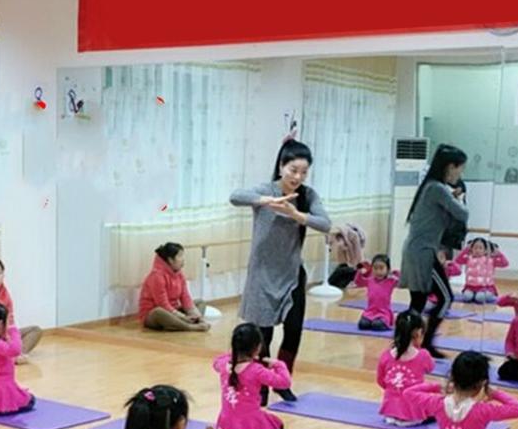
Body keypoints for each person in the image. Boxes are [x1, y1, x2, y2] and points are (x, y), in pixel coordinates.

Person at [230, 140, 331, 402]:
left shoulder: (307, 196)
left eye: (303, 172)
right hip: (263, 275)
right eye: (293, 170)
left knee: (294, 330)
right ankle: (262, 385)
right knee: (263, 334)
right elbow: (235, 196)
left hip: (292, 275)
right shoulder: (266, 190)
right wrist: (266, 201)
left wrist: (296, 214)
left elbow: (325, 223)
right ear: (281, 167)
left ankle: (282, 382)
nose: (297, 177)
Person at [400, 145, 470, 358]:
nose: (460, 174)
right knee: (446, 297)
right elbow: (462, 214)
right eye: (460, 168)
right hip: (423, 252)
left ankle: (406, 343)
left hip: (417, 249)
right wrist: (458, 198)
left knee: (419, 301)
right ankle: (425, 342)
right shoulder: (437, 189)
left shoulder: (431, 187)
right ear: (450, 167)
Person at [213, 323, 288, 429]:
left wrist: (232, 354)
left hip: (226, 425)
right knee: (278, 426)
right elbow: (284, 382)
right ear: (257, 348)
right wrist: (278, 364)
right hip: (249, 424)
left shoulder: (223, 364)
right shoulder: (257, 371)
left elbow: (216, 361)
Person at [376, 311, 435, 426]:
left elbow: (381, 381)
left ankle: (397, 412)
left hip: (389, 413)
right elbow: (430, 368)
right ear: (419, 333)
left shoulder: (386, 355)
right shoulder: (423, 355)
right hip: (413, 415)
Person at [137, 243, 209, 332]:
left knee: (200, 302)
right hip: (154, 314)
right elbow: (162, 304)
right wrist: (183, 317)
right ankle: (190, 327)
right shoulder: (157, 276)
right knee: (158, 311)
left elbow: (185, 297)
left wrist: (199, 317)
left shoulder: (179, 274)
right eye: (180, 256)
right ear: (170, 260)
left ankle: (182, 323)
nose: (183, 259)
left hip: (174, 311)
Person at [354, 255, 400, 331]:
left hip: (383, 313)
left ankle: (386, 322)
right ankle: (372, 321)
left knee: (377, 325)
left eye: (381, 268)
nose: (378, 271)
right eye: (375, 268)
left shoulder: (391, 281)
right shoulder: (370, 280)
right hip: (370, 312)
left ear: (387, 269)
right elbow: (358, 282)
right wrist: (359, 271)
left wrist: (395, 273)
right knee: (362, 325)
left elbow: (401, 282)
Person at [455, 238, 508, 303]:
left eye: (480, 248)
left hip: (485, 288)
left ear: (485, 250)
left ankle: (489, 295)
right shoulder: (468, 259)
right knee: (466, 297)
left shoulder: (490, 260)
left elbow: (505, 263)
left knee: (479, 298)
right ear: (471, 249)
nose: (477, 250)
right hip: (470, 287)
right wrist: (466, 249)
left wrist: (499, 253)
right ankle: (476, 296)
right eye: (475, 248)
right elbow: (457, 260)